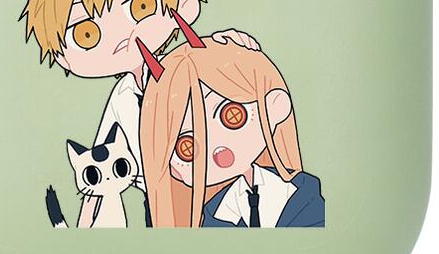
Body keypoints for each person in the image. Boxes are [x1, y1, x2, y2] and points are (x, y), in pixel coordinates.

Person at [18, 0, 260, 226]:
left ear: (184, 4)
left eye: (141, 5)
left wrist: (239, 50)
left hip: (224, 185)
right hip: (161, 204)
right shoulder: (123, 97)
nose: (121, 36)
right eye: (86, 33)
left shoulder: (195, 62)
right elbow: (98, 171)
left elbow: (245, 91)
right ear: (64, 55)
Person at [139, 39, 325, 228]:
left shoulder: (304, 192)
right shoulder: (212, 218)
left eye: (232, 115)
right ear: (174, 169)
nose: (218, 149)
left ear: (274, 107)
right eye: (188, 147)